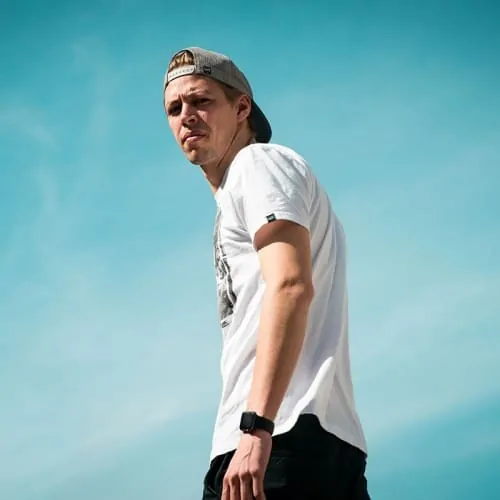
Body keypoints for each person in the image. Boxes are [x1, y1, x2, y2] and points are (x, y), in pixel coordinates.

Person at [163, 47, 370, 500]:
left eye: (201, 101)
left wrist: (256, 427)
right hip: (310, 441)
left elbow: (291, 285)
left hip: (275, 438)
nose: (186, 116)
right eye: (174, 109)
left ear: (242, 108)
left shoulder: (258, 165)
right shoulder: (241, 192)